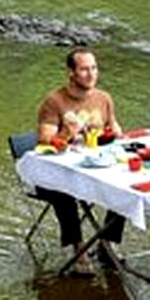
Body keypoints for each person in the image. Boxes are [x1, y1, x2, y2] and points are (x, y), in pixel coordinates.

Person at [35, 47, 125, 275]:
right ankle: (78, 250)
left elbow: (114, 128)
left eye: (94, 68)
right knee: (64, 194)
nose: (91, 74)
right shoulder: (54, 101)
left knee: (125, 185)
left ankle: (108, 243)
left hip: (93, 165)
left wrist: (117, 134)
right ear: (71, 73)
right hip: (55, 171)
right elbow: (45, 141)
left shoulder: (103, 98)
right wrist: (66, 132)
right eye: (84, 69)